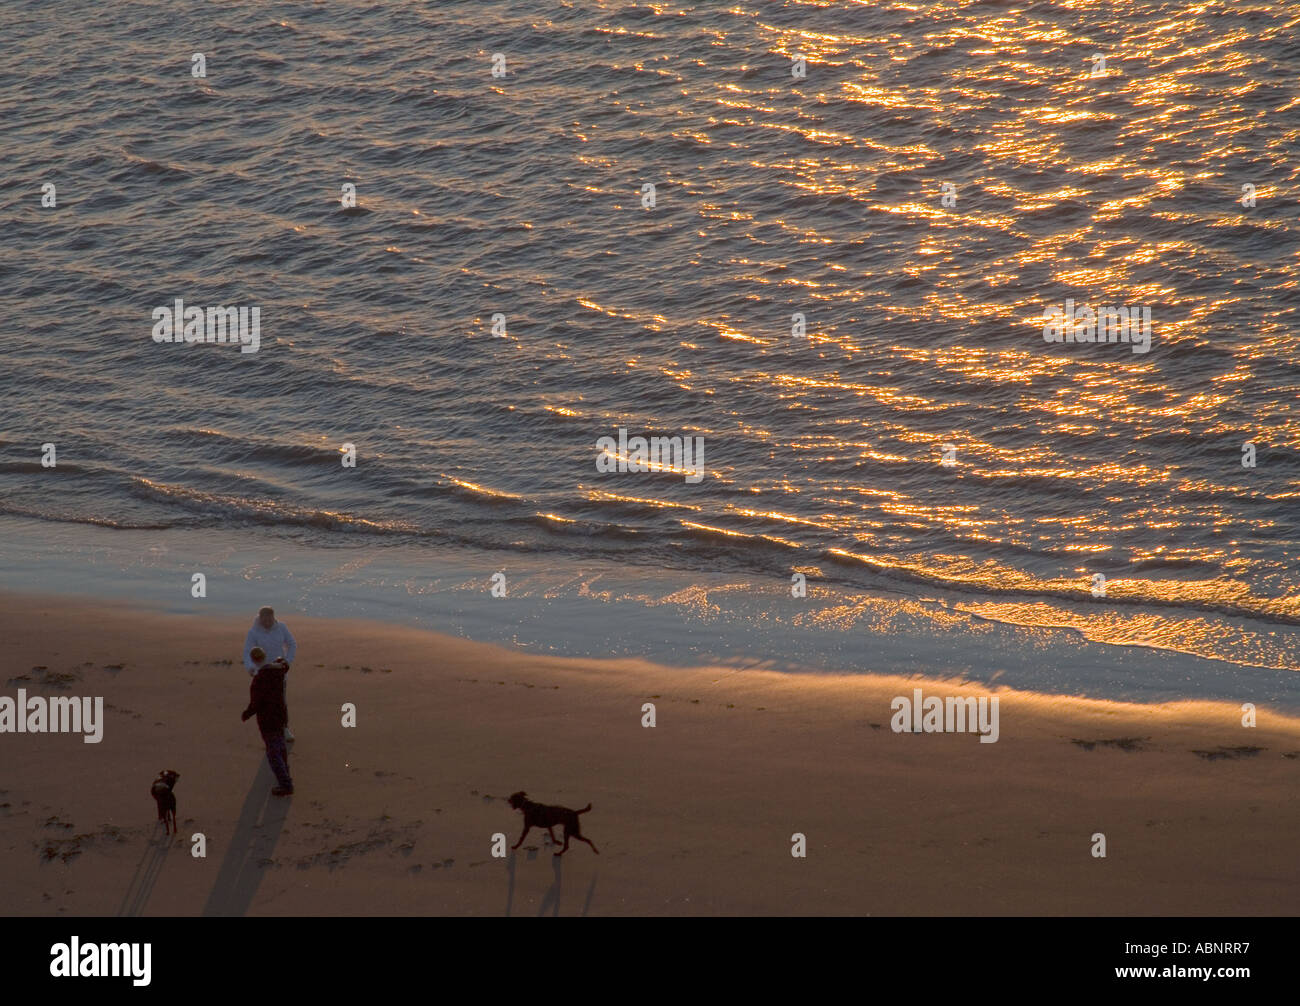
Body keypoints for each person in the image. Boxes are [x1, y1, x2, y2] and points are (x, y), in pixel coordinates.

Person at [241, 646, 294, 796]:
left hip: (267, 720)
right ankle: (286, 777)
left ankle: (286, 784)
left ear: (253, 660)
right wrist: (279, 660)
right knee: (281, 749)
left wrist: (246, 714)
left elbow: (256, 704)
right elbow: (285, 664)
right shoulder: (278, 670)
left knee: (273, 752)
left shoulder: (259, 680)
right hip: (281, 716)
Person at [243, 606, 297, 742]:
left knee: (280, 702)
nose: (267, 622)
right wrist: (251, 668)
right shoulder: (253, 632)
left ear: (273, 618)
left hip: (279, 671)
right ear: (260, 618)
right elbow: (247, 652)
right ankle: (267, 730)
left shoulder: (281, 627)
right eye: (264, 619)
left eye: (269, 619)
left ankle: (284, 729)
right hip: (261, 673)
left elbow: (292, 644)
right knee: (263, 703)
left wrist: (288, 662)